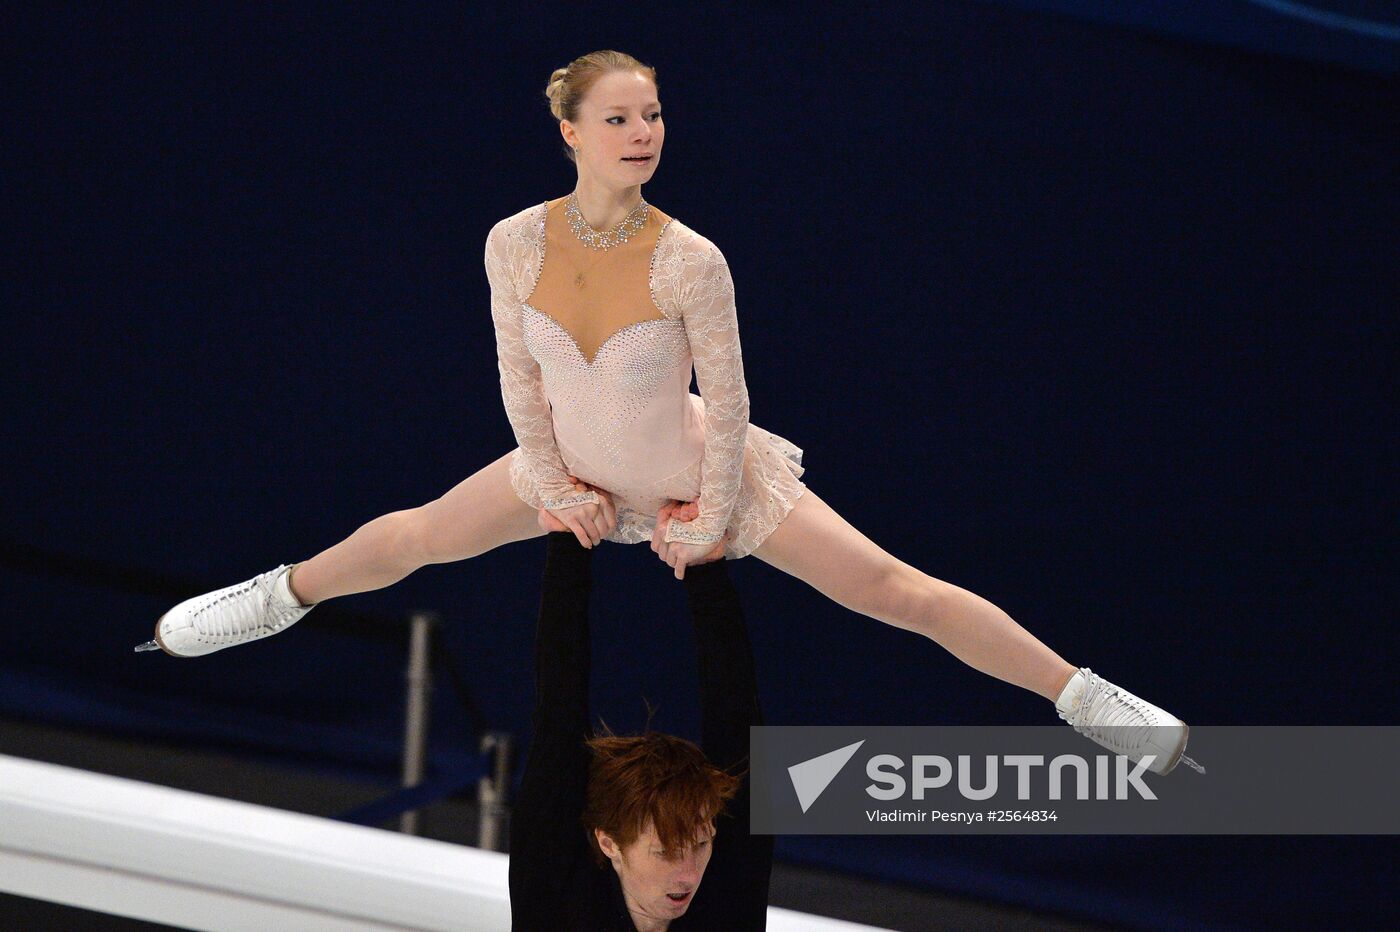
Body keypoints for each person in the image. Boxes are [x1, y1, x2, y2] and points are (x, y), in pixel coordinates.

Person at [139, 50, 1197, 776]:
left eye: (652, 115)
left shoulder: (692, 258)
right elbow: (517, 375)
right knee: (416, 533)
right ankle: (276, 594)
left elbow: (729, 404)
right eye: (619, 118)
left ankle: (1082, 694)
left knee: (893, 589)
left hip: (700, 474)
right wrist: (552, 482)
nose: (642, 132)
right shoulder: (513, 240)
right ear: (569, 132)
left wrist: (709, 509)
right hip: (569, 464)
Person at [511, 498, 770, 930]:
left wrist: (705, 568)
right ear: (609, 843)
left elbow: (739, 727)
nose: (689, 874)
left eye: (702, 843)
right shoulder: (555, 893)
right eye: (665, 851)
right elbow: (557, 714)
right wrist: (568, 544)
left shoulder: (726, 890)